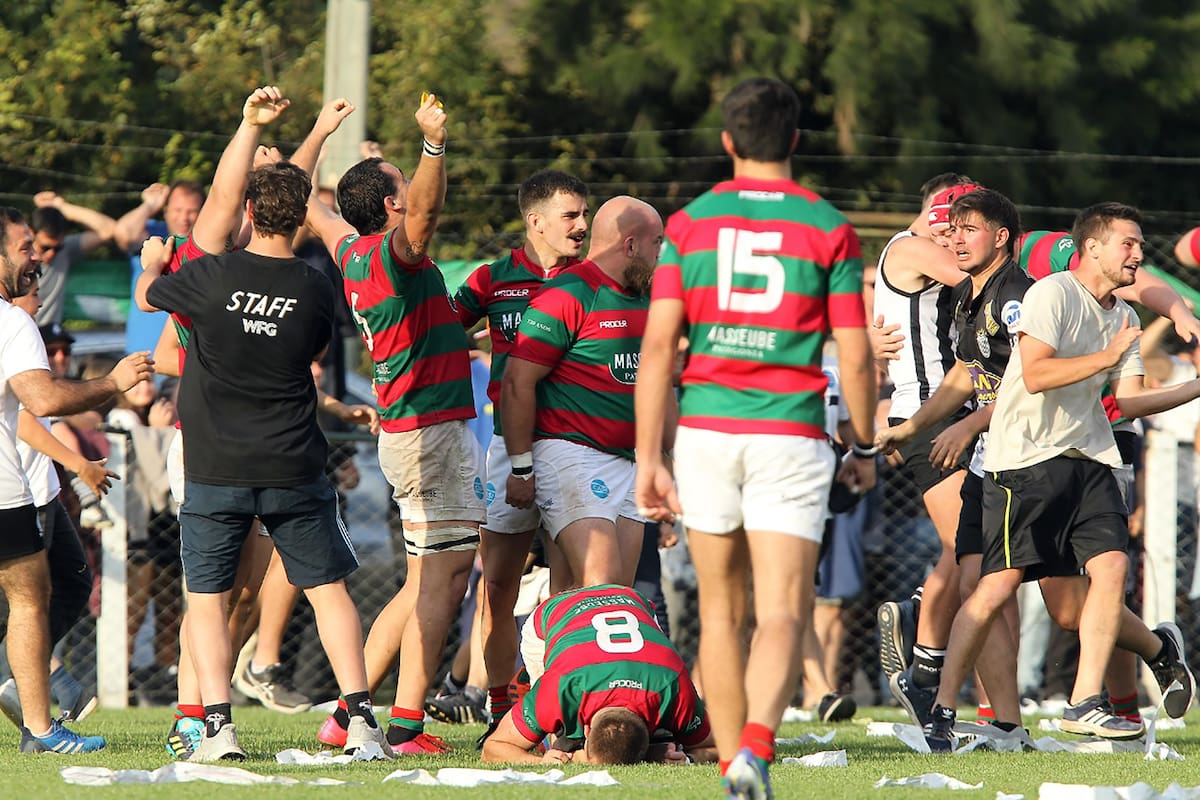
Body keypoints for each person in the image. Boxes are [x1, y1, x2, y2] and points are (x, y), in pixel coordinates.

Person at [633, 77, 876, 800]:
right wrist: (863, 445)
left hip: (706, 430)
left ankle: (730, 766)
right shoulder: (828, 225)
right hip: (790, 433)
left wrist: (650, 457)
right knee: (781, 613)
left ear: (729, 142)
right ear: (797, 141)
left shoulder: (688, 224)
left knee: (720, 612)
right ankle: (755, 757)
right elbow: (857, 354)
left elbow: (656, 350)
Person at [135, 159, 388, 762]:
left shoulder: (212, 275)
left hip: (215, 465)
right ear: (301, 220)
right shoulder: (316, 285)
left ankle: (216, 728)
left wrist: (151, 263)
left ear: (248, 213)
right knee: (329, 591)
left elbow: (150, 301)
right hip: (293, 463)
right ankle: (360, 723)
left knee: (206, 598)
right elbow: (316, 347)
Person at [920, 202, 1197, 751]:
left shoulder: (1124, 317)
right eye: (1129, 243)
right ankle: (942, 706)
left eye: (1141, 244)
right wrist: (1107, 356)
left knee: (1113, 565)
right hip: (1023, 460)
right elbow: (1038, 373)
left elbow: (1132, 402)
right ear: (1091, 247)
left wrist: (1195, 388)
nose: (1140, 254)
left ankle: (1083, 702)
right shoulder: (1048, 294)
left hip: (1091, 458)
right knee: (996, 589)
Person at [304, 94, 478, 756]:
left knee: (423, 579)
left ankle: (348, 716)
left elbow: (314, 209)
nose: (410, 193)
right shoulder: (391, 255)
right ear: (388, 208)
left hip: (412, 431)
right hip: (430, 431)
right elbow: (426, 214)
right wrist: (432, 144)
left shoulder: (351, 251)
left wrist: (314, 140)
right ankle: (405, 725)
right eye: (398, 189)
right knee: (445, 576)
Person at [0, 206, 154, 753]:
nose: (36, 259)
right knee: (29, 602)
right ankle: (41, 730)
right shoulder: (11, 321)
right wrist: (110, 382)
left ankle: (33, 705)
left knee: (48, 592)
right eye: (24, 249)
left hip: (23, 486)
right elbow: (39, 401)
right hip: (6, 490)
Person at [452, 168, 589, 740]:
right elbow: (437, 330)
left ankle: (562, 709)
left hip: (579, 449)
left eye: (586, 214)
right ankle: (500, 707)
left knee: (572, 592)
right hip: (507, 451)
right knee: (497, 588)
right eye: (571, 215)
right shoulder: (493, 277)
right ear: (535, 221)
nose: (583, 225)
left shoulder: (597, 277)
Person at [500, 194, 663, 591]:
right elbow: (516, 382)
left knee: (610, 598)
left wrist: (666, 461)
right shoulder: (569, 293)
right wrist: (521, 469)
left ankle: (541, 655)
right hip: (573, 455)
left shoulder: (647, 298)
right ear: (630, 246)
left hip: (630, 460)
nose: (663, 253)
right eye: (658, 242)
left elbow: (659, 386)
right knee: (601, 590)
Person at [871, 176, 981, 696]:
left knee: (970, 547)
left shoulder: (924, 249)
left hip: (961, 411)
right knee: (975, 553)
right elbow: (978, 271)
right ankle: (954, 686)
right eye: (956, 226)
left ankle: (922, 634)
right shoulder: (913, 247)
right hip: (925, 417)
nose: (959, 239)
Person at [481, 584, 716, 765]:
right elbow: (493, 748)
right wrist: (541, 761)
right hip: (557, 612)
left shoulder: (673, 684)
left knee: (565, 734)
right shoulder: (560, 686)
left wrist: (689, 758)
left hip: (631, 602)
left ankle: (551, 725)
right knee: (557, 739)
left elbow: (727, 744)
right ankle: (538, 709)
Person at [115, 180, 205, 355]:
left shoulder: (208, 247)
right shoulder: (153, 236)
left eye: (192, 211)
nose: (183, 218)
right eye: (177, 210)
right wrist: (149, 205)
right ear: (166, 211)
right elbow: (123, 233)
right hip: (141, 357)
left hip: (183, 358)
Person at [29, 192, 117, 326]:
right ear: (30, 233)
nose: (51, 254)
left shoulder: (65, 251)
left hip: (51, 337)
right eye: (45, 248)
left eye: (57, 248)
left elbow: (110, 230)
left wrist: (61, 206)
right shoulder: (10, 259)